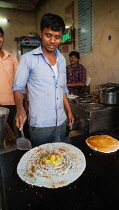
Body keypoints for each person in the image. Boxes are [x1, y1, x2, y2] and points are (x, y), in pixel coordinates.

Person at [13, 13, 74, 147]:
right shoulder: (28, 59)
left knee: (60, 157)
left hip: (61, 121)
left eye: (57, 37)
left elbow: (62, 88)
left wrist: (68, 111)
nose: (52, 41)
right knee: (41, 162)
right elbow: (18, 87)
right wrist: (20, 109)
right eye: (48, 35)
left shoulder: (62, 60)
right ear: (41, 33)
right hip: (41, 124)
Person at [0, 27, 18, 135]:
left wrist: (23, 103)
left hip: (10, 103)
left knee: (10, 133)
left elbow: (19, 82)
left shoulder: (11, 58)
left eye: (0, 36)